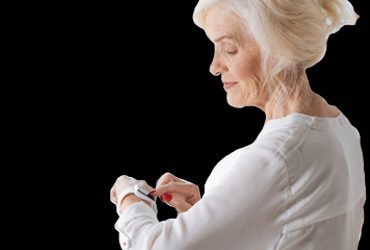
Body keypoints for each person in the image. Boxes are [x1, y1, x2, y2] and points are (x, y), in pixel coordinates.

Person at [110, 0, 366, 249]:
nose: (214, 66)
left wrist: (130, 197)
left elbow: (153, 246)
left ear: (278, 47)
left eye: (229, 49)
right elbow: (295, 230)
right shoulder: (342, 129)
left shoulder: (274, 160)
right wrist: (211, 214)